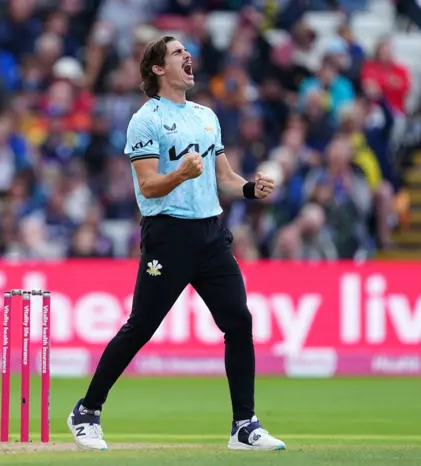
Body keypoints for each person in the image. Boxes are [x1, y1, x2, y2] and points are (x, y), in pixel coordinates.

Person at [67, 35, 286, 453]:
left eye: (187, 51)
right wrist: (182, 175)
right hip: (168, 235)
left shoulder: (206, 116)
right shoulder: (145, 119)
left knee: (238, 322)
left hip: (212, 235)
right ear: (157, 68)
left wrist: (251, 189)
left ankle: (244, 425)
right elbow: (148, 186)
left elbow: (224, 178)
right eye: (177, 52)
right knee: (140, 328)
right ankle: (87, 411)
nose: (188, 56)